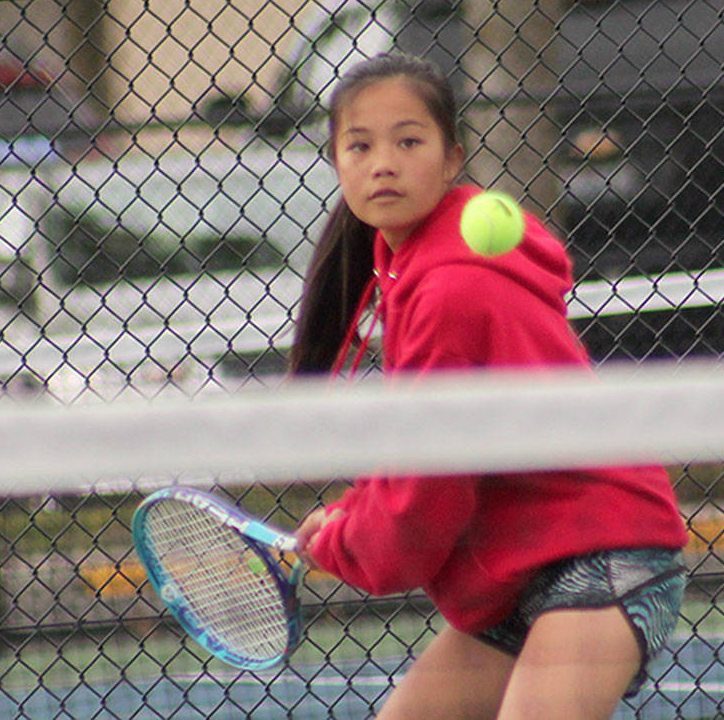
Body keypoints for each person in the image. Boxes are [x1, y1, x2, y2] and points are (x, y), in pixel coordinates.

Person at [288, 52, 689, 719]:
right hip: (520, 561)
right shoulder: (406, 271)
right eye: (359, 145)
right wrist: (353, 517)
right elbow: (424, 461)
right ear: (337, 163)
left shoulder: (449, 289)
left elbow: (424, 503)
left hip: (600, 548)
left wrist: (341, 542)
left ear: (451, 160)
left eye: (408, 141)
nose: (382, 162)